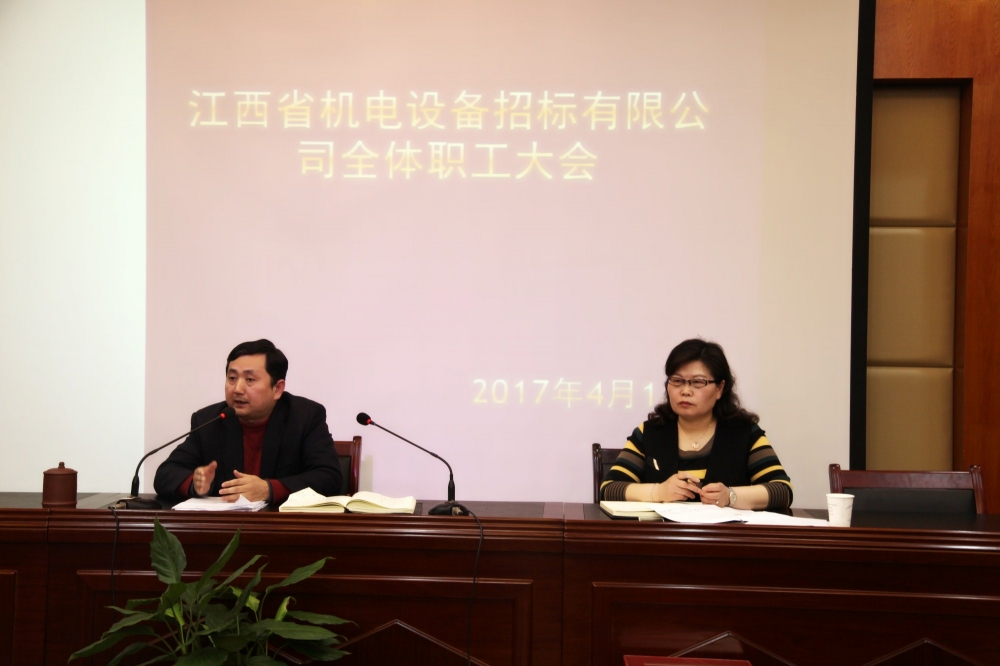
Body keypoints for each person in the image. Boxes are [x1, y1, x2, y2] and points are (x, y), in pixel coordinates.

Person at [600, 339, 793, 510]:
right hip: (663, 536)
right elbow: (609, 489)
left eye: (698, 382)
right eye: (677, 381)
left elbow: (782, 490)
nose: (685, 391)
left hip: (725, 537)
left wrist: (730, 496)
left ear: (720, 389)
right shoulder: (650, 432)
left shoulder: (744, 433)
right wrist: (658, 491)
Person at [154, 339, 342, 503]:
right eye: (232, 378)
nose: (237, 389)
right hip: (226, 528)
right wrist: (194, 484)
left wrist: (269, 489)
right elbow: (166, 474)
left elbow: (329, 478)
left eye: (250, 379)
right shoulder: (209, 420)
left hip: (284, 527)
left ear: (277, 388)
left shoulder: (305, 417)